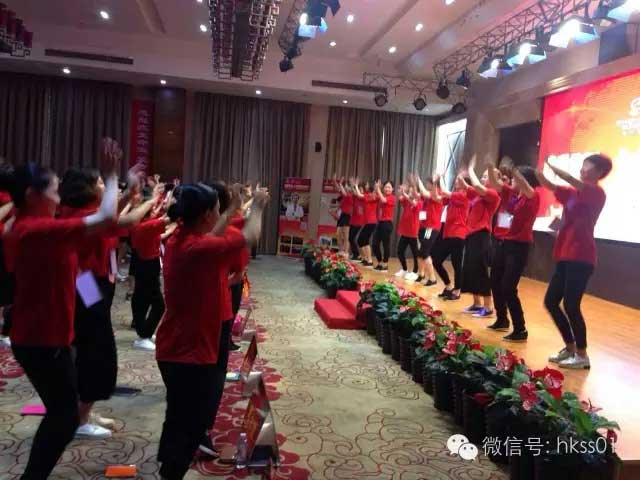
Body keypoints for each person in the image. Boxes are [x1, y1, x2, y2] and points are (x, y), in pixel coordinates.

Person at [4, 138, 120, 479]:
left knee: (65, 407)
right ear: (32, 195)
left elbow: (115, 219)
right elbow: (109, 217)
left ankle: (82, 416)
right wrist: (113, 174)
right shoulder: (38, 229)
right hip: (50, 327)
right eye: (54, 191)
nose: (59, 197)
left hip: (55, 325)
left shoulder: (33, 224)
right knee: (66, 409)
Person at [155, 183, 268, 480]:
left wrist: (230, 209)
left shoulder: (183, 237)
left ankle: (167, 467)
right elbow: (250, 235)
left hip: (176, 347)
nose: (221, 215)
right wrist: (258, 205)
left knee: (177, 416)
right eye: (218, 209)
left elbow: (212, 234)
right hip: (189, 353)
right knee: (191, 426)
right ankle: (171, 471)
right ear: (206, 214)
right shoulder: (198, 249)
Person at [536, 154, 611, 369]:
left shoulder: (596, 193)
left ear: (599, 172)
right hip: (564, 255)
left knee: (571, 305)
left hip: (582, 256)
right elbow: (550, 185)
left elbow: (569, 178)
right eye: (583, 164)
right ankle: (570, 347)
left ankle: (582, 354)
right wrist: (538, 172)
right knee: (551, 302)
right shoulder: (572, 194)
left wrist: (554, 167)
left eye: (588, 165)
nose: (583, 168)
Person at [486, 164, 540, 342]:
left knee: (509, 287)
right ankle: (502, 319)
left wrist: (515, 171)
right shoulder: (515, 195)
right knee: (495, 281)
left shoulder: (533, 196)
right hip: (505, 244)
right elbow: (496, 183)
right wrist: (490, 166)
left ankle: (520, 328)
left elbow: (526, 186)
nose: (513, 181)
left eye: (516, 178)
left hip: (519, 247)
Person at [130, 188, 174, 352]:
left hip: (147, 264)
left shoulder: (144, 223)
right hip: (147, 266)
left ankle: (144, 332)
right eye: (153, 208)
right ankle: (143, 335)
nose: (156, 209)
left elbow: (161, 228)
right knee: (155, 304)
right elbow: (169, 218)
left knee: (144, 300)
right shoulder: (146, 226)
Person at [459, 156, 501, 318]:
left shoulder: (493, 194)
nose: (483, 178)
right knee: (470, 270)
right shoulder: (477, 195)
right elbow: (466, 186)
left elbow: (476, 185)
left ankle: (488, 308)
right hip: (471, 235)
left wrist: (471, 169)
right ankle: (476, 304)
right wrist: (462, 175)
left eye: (487, 176)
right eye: (482, 176)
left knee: (481, 271)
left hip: (481, 236)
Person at [432, 174, 470, 300]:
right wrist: (435, 183)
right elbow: (437, 197)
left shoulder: (464, 195)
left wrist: (441, 179)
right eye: (456, 179)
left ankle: (458, 290)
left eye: (459, 179)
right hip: (447, 233)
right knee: (436, 260)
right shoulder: (454, 196)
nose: (456, 181)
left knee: (456, 264)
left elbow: (444, 192)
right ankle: (448, 286)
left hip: (458, 234)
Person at [415, 174, 443, 286]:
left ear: (434, 184)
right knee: (420, 252)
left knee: (425, 252)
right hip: (424, 227)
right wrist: (414, 185)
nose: (427, 185)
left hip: (431, 228)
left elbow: (424, 192)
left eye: (428, 183)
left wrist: (419, 180)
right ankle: (421, 274)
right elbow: (418, 194)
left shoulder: (438, 193)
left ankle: (432, 278)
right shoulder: (428, 195)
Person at [395, 181, 420, 282]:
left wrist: (405, 194)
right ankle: (405, 269)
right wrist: (401, 191)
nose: (410, 194)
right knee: (400, 251)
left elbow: (413, 202)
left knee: (415, 253)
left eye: (412, 192)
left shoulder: (418, 202)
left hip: (414, 232)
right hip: (405, 232)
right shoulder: (407, 201)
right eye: (409, 192)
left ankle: (415, 272)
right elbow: (400, 198)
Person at [372, 180, 395, 271]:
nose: (387, 189)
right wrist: (376, 188)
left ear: (392, 189)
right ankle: (380, 262)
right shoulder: (381, 195)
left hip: (387, 224)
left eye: (389, 187)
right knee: (375, 244)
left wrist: (378, 190)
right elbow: (374, 197)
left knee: (386, 245)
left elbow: (384, 200)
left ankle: (385, 264)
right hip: (380, 223)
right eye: (385, 187)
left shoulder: (392, 198)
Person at [353, 180, 377, 267]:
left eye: (366, 184)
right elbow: (358, 194)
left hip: (371, 222)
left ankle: (369, 260)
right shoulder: (367, 195)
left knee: (363, 240)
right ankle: (366, 259)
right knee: (361, 240)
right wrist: (354, 187)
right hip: (367, 222)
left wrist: (356, 185)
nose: (365, 185)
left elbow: (359, 195)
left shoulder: (372, 195)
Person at [334, 176, 353, 257]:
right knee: (338, 234)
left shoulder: (350, 196)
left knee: (346, 236)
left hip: (348, 216)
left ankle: (346, 252)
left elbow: (343, 190)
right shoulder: (344, 196)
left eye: (347, 186)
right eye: (345, 186)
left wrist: (341, 184)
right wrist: (335, 181)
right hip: (342, 216)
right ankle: (341, 250)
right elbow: (339, 189)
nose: (345, 187)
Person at [348, 178, 365, 261]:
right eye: (359, 189)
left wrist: (355, 186)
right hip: (353, 221)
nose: (359, 191)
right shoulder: (356, 197)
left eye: (361, 189)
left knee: (352, 238)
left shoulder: (363, 197)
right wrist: (353, 186)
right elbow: (354, 192)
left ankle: (357, 255)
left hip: (359, 221)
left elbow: (357, 193)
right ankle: (356, 254)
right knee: (350, 238)